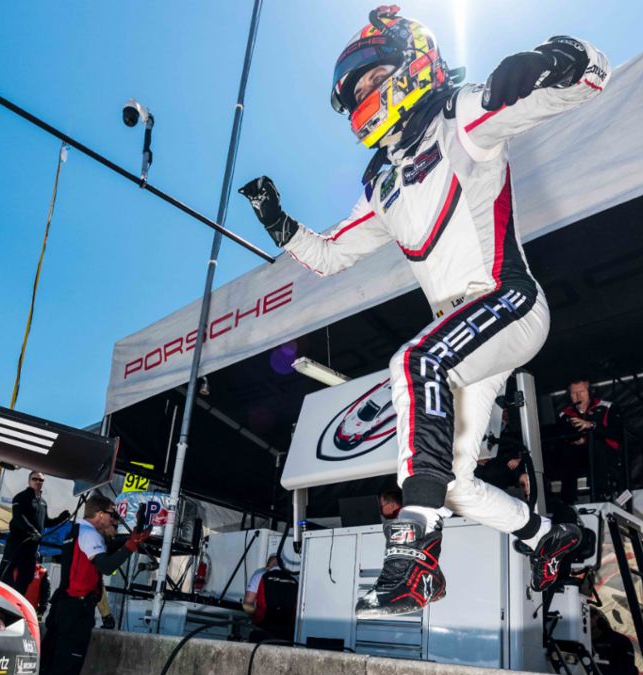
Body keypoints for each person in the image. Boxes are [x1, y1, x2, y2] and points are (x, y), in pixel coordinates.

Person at [240, 6, 605, 616]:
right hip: (464, 339)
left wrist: (556, 57)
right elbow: (329, 256)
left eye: (369, 80)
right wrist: (279, 223)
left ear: (412, 62)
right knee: (454, 483)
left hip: (508, 299)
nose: (363, 96)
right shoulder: (384, 180)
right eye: (355, 91)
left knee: (414, 361)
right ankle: (549, 536)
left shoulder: (460, 114)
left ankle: (413, 545)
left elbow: (590, 79)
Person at [29, 494, 150, 675]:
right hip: (75, 610)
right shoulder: (90, 535)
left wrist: (128, 540)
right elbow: (105, 566)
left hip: (64, 609)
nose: (113, 519)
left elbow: (106, 547)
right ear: (98, 514)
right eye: (111, 514)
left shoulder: (77, 531)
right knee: (64, 672)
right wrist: (130, 546)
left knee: (53, 668)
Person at [0, 470, 69, 597]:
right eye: (35, 479)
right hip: (17, 544)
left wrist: (61, 518)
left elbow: (45, 522)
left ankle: (18, 601)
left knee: (27, 576)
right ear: (29, 481)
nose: (38, 482)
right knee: (6, 573)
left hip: (32, 547)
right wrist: (32, 531)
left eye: (41, 480)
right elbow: (18, 517)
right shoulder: (20, 497)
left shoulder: (43, 502)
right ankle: (0, 598)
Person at [555, 378, 624, 504]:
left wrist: (590, 425)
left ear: (591, 392)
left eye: (581, 391)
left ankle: (601, 494)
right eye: (574, 393)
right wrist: (573, 440)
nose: (578, 396)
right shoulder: (564, 414)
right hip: (579, 456)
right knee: (567, 451)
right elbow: (559, 436)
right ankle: (567, 499)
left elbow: (616, 432)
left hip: (606, 453)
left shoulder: (607, 407)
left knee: (596, 444)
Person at [243, 554, 299, 642]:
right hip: (286, 632)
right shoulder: (294, 579)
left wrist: (254, 617)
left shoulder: (260, 575)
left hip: (264, 629)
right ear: (282, 566)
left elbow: (247, 604)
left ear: (267, 566)